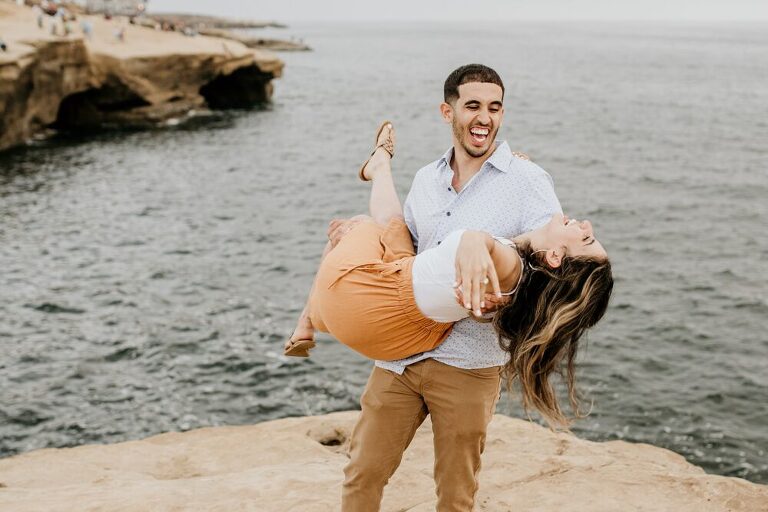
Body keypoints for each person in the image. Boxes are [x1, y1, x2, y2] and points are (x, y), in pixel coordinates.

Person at [286, 64, 614, 511]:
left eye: (495, 108)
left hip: (468, 364)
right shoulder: (426, 179)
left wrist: (493, 303)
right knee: (363, 472)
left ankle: (374, 173)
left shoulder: (528, 181)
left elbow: (549, 268)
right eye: (473, 106)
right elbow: (412, 257)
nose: (485, 117)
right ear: (448, 111)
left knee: (456, 492)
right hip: (401, 354)